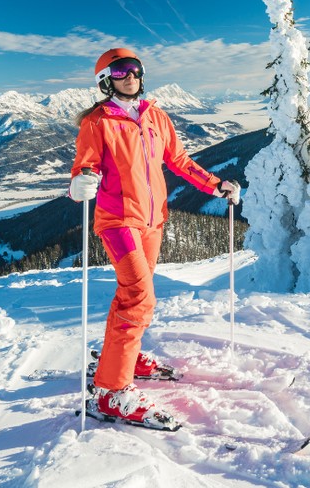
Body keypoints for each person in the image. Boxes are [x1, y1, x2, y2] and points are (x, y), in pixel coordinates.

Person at [68, 47, 240, 429]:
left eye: (134, 68)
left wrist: (217, 186)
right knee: (139, 296)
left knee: (131, 295)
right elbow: (85, 166)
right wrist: (80, 183)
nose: (129, 75)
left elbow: (179, 162)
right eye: (120, 71)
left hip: (152, 222)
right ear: (105, 80)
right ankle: (112, 392)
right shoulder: (98, 122)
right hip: (118, 220)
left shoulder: (156, 116)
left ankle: (123, 357)